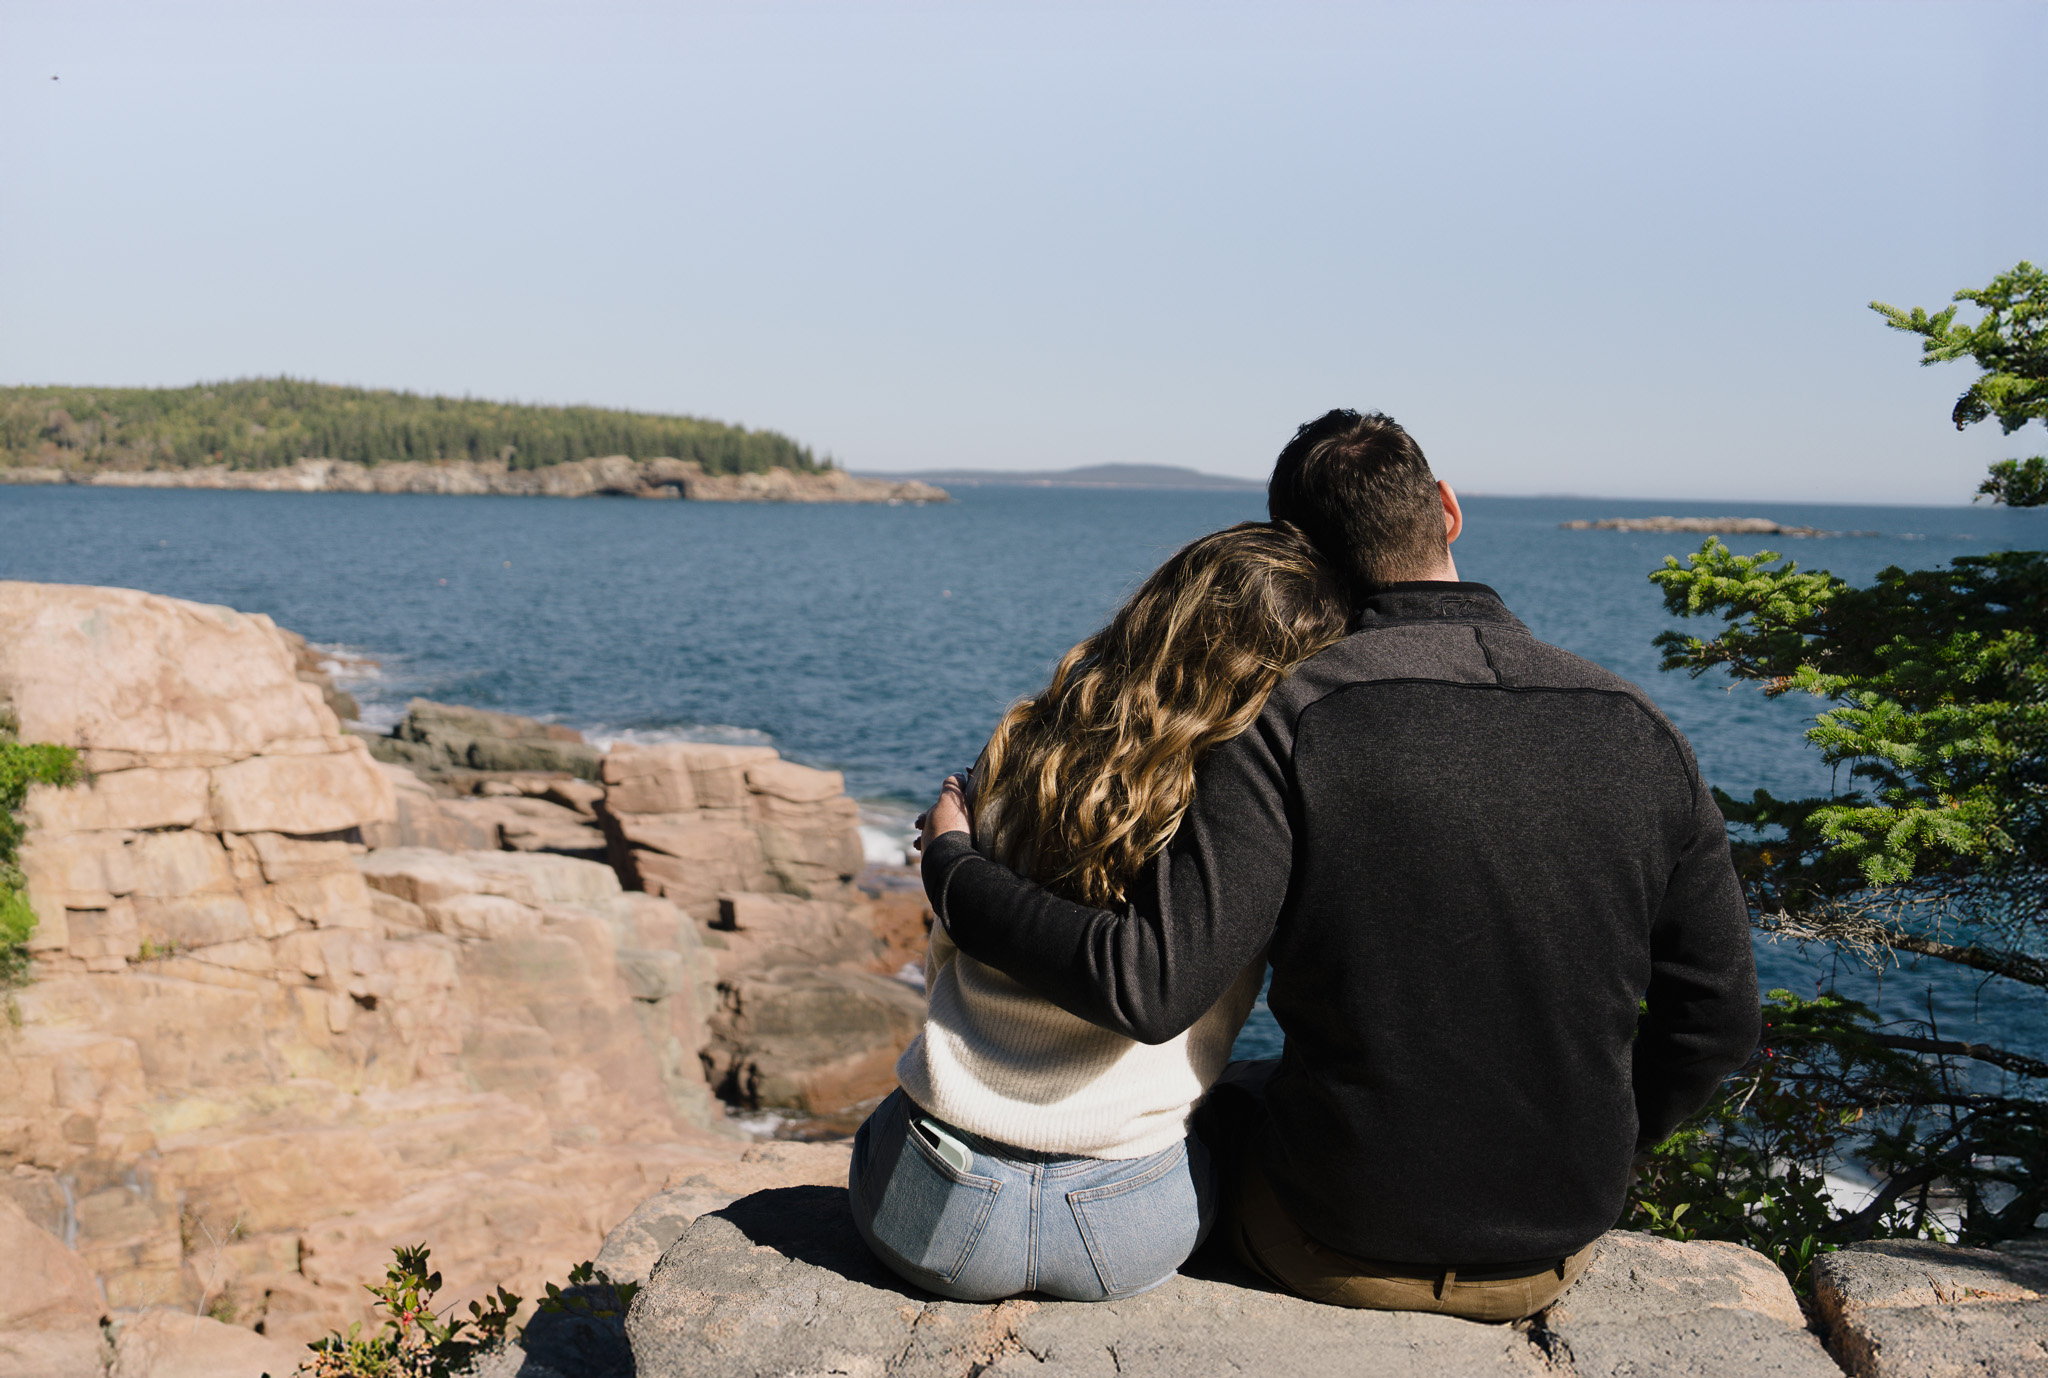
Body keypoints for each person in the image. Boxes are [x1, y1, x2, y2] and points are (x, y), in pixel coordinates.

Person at [916, 409, 1761, 1322]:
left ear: (1295, 555)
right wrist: (1601, 1151)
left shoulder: (1289, 719)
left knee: (1213, 1110)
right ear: (1448, 509)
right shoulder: (1642, 730)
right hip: (1554, 1245)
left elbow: (1152, 985)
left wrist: (956, 868)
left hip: (1326, 1242)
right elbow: (1718, 1023)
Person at [849, 522, 1349, 1301]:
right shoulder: (1248, 820)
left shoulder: (1023, 747)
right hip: (1124, 1224)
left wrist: (953, 857)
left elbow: (947, 950)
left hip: (931, 1205)